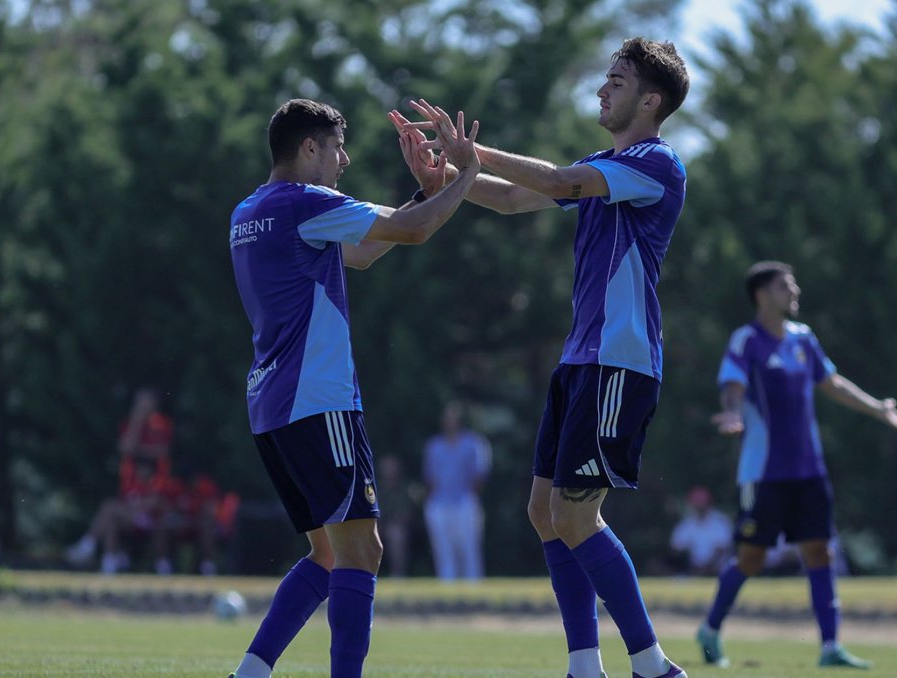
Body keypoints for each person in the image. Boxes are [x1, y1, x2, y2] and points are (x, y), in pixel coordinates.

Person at [393, 35, 690, 678]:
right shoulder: (607, 165)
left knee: (577, 515)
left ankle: (654, 665)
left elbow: (555, 180)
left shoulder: (656, 163)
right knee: (544, 512)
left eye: (616, 80)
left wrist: (471, 152)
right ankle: (585, 665)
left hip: (619, 360)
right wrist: (448, 177)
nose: (602, 89)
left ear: (651, 99)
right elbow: (507, 198)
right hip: (583, 359)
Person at [226, 98, 480, 678]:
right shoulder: (306, 202)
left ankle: (251, 672)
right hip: (319, 400)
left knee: (326, 553)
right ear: (309, 148)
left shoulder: (249, 210)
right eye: (337, 148)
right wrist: (462, 175)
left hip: (271, 405)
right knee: (363, 552)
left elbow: (361, 254)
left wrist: (422, 194)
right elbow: (413, 232)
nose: (345, 160)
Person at [696, 260, 897, 670]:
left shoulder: (803, 338)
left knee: (819, 552)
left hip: (809, 471)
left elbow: (831, 383)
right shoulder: (747, 340)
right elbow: (733, 385)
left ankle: (830, 647)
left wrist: (878, 409)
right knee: (752, 559)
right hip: (763, 474)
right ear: (762, 295)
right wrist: (731, 412)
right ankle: (709, 629)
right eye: (785, 286)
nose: (794, 292)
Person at [65, 387, 175, 574]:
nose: (142, 407)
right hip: (132, 509)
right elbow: (125, 448)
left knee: (109, 509)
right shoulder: (131, 424)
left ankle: (88, 544)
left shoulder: (161, 427)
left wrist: (139, 449)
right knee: (110, 516)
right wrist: (137, 421)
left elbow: (160, 452)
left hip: (153, 510)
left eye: (146, 403)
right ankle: (108, 564)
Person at [422, 401, 492, 580]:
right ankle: (447, 584)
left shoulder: (473, 443)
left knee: (469, 547)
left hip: (465, 502)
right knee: (443, 548)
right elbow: (430, 478)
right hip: (439, 502)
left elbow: (479, 476)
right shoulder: (434, 446)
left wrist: (469, 497)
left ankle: (473, 584)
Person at [669, 486, 732, 576]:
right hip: (692, 570)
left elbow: (723, 550)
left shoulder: (720, 522)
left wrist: (706, 567)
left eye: (701, 504)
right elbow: (675, 549)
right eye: (696, 504)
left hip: (718, 570)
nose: (698, 507)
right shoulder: (687, 523)